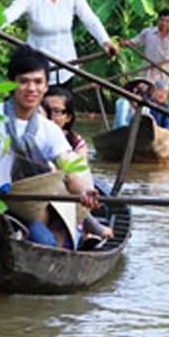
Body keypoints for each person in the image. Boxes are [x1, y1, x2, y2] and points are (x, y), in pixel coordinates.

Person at [0, 46, 99, 248]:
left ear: (46, 86)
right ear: (12, 84)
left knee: (45, 243)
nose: (31, 88)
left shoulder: (49, 130)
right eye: (24, 81)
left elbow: (70, 172)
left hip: (19, 207)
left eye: (38, 82)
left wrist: (85, 192)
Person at [41, 87, 113, 245]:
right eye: (46, 109)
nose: (50, 116)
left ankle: (86, 230)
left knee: (69, 185)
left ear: (68, 117)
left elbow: (80, 174)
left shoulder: (74, 142)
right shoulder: (35, 136)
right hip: (42, 195)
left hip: (69, 192)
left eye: (57, 111)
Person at [121, 8, 169, 86]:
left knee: (159, 96)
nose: (164, 23)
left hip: (163, 75)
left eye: (167, 21)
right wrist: (124, 43)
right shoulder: (148, 33)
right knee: (143, 94)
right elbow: (134, 42)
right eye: (162, 20)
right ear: (158, 20)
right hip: (147, 72)